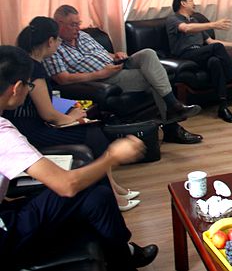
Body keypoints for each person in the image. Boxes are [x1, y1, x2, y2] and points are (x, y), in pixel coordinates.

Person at [0, 45, 158, 271]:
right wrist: (112, 157)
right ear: (16, 88)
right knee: (86, 188)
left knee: (97, 196)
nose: (29, 90)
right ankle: (125, 256)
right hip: (5, 234)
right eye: (28, 84)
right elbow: (67, 185)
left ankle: (124, 256)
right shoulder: (3, 133)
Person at [4, 17, 140, 211]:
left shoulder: (30, 63)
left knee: (94, 131)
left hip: (30, 125)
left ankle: (114, 189)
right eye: (58, 40)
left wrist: (71, 113)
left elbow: (43, 103)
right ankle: (112, 196)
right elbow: (48, 114)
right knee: (93, 134)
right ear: (50, 41)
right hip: (31, 131)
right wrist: (75, 118)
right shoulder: (34, 68)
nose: (59, 44)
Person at [43, 5, 203, 145]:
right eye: (73, 25)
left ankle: (173, 109)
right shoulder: (53, 47)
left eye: (78, 23)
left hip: (117, 65)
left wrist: (116, 55)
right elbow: (62, 79)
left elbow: (104, 53)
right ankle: (172, 123)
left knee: (148, 53)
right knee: (155, 77)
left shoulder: (83, 36)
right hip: (104, 78)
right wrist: (100, 74)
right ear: (59, 24)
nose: (78, 28)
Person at [166, 0, 232, 123]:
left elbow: (211, 42)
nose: (194, 4)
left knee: (215, 61)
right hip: (185, 55)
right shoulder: (173, 19)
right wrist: (213, 24)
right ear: (183, 3)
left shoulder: (195, 21)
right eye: (191, 1)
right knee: (216, 49)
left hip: (200, 53)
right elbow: (186, 28)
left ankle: (223, 107)